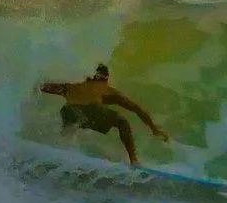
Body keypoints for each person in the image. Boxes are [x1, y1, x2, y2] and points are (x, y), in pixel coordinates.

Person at [38, 62, 167, 168]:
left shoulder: (71, 87)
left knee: (70, 125)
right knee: (122, 122)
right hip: (92, 110)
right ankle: (134, 160)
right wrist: (154, 129)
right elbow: (137, 109)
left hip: (68, 110)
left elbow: (42, 87)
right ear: (106, 78)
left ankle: (61, 148)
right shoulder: (106, 89)